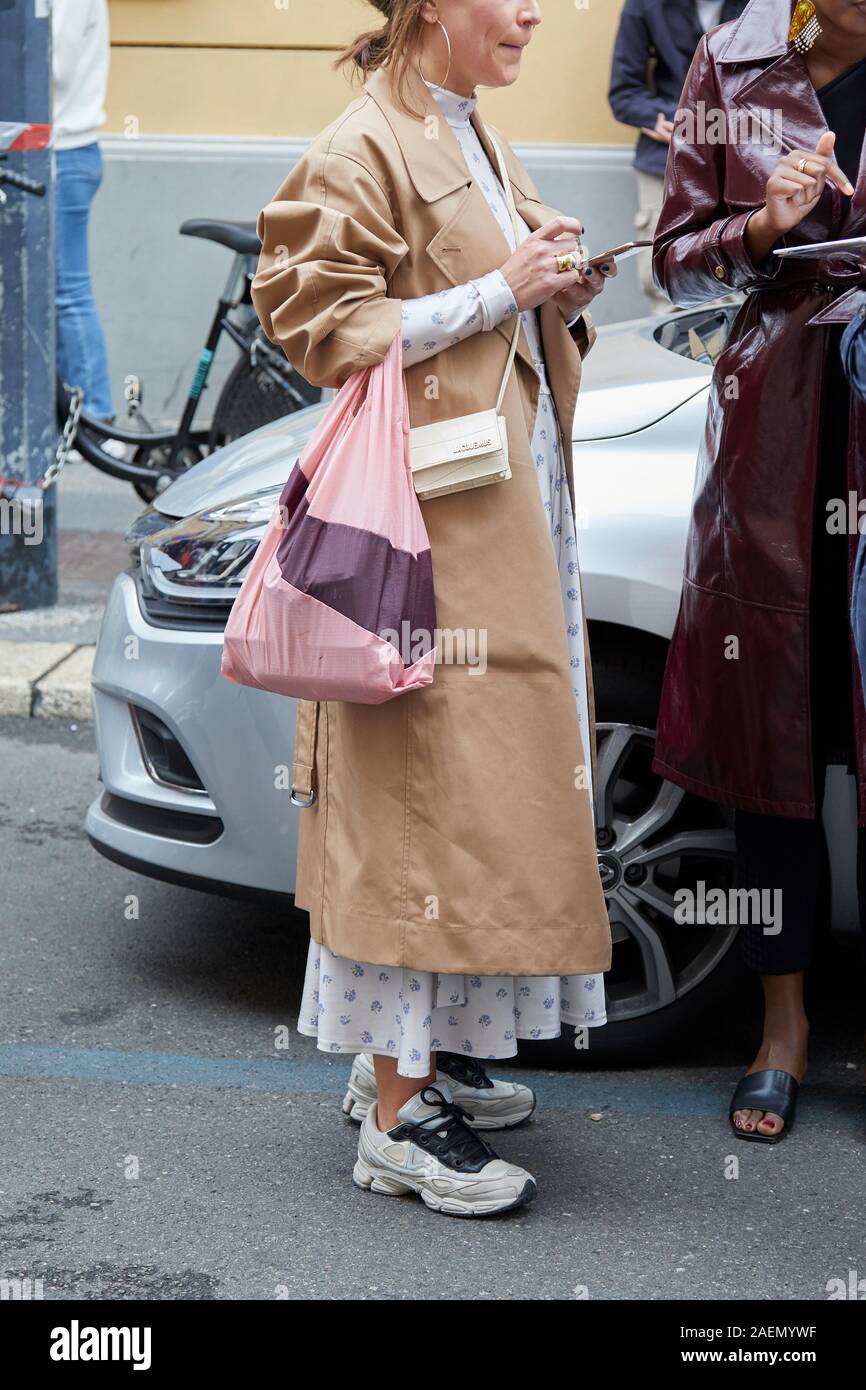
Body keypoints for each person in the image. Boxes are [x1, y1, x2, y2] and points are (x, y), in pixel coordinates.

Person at [251, 0, 617, 1217]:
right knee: (419, 797)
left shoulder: (473, 133)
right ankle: (400, 1115)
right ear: (425, 7)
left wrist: (553, 283)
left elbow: (494, 311)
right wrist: (499, 288)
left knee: (467, 796)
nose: (529, 14)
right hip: (426, 543)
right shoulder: (365, 142)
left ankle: (399, 1065)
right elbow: (315, 323)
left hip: (490, 525)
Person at [649, 0, 866, 1143]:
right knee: (771, 754)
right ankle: (779, 1028)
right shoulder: (731, 62)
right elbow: (672, 268)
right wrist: (759, 233)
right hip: (778, 447)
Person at [608, 0, 747, 315]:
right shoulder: (643, 5)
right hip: (664, 165)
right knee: (665, 284)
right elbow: (623, 94)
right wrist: (673, 119)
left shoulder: (768, 5)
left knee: (739, 278)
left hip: (740, 161)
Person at [52, 0, 114, 422]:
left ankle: (94, 415)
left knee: (67, 293)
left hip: (64, 153)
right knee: (53, 295)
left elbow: (54, 66)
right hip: (55, 152)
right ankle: (68, 413)